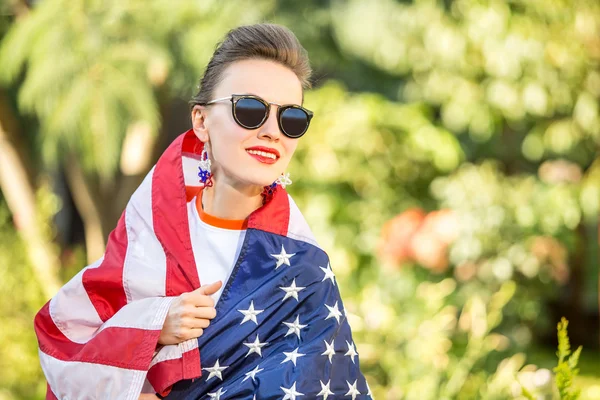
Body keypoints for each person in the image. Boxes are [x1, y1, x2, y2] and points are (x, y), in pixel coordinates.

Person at [35, 23, 370, 399]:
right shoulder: (149, 237)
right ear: (201, 120)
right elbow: (65, 348)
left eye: (291, 119)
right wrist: (154, 326)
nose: (273, 132)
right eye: (250, 109)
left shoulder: (302, 268)